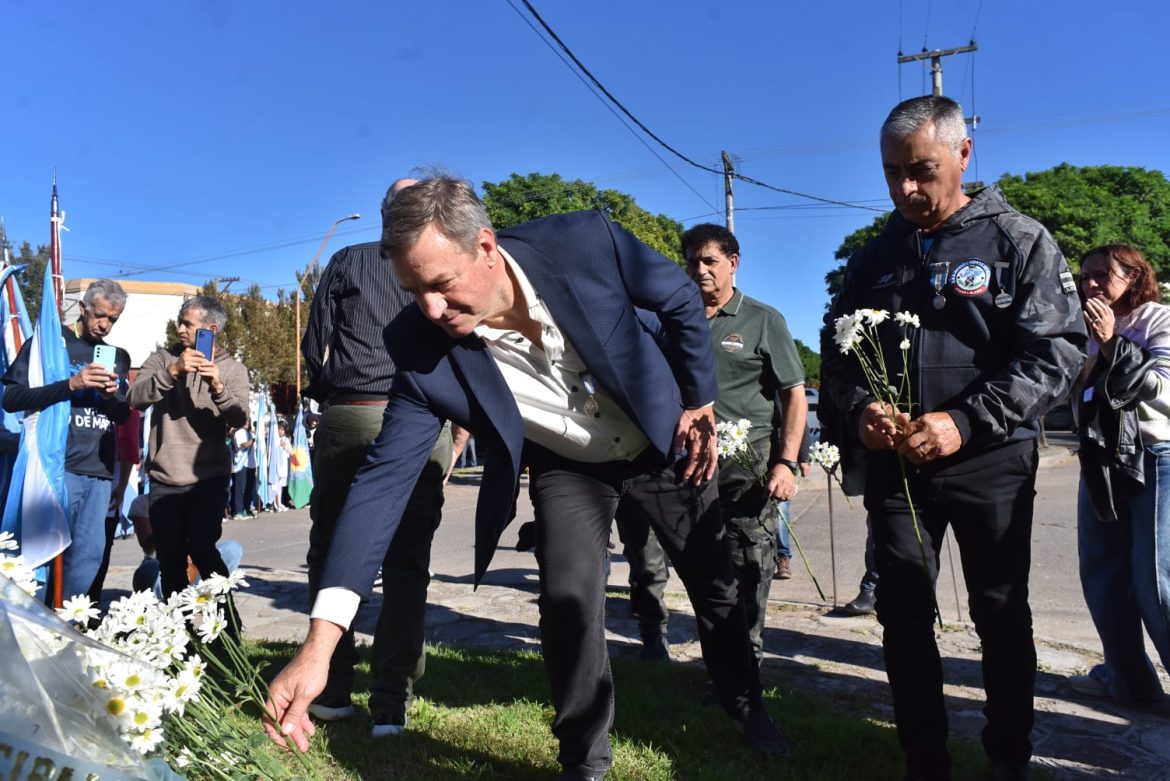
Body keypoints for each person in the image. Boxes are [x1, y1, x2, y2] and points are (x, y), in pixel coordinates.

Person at [265, 175, 787, 779]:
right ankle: (583, 759)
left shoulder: (584, 242)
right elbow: (380, 488)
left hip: (660, 440)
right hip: (570, 468)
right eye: (413, 291)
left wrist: (698, 399)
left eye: (441, 284)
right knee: (567, 600)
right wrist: (318, 647)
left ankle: (746, 704)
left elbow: (675, 294)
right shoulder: (418, 345)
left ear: (486, 247)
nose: (430, 309)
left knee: (714, 582)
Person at [821, 95, 1086, 781]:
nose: (907, 188)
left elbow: (1056, 352)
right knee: (903, 613)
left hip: (991, 461)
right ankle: (925, 759)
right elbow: (838, 358)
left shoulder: (1018, 242)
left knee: (1000, 611)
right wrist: (858, 414)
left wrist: (965, 421)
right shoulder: (873, 257)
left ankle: (1007, 755)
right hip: (897, 471)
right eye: (891, 173)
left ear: (963, 155)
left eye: (922, 170)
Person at [298, 177, 454, 739]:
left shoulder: (347, 260)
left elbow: (316, 343)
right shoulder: (447, 265)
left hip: (353, 411)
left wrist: (324, 391)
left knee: (330, 551)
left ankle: (333, 688)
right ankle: (391, 701)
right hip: (424, 414)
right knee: (408, 564)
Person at [682, 223, 807, 662]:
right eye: (692, 261)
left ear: (733, 264)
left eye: (710, 261)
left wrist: (786, 463)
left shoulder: (762, 319)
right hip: (690, 461)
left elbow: (793, 394)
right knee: (703, 563)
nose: (700, 270)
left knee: (751, 560)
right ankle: (718, 653)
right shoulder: (678, 319)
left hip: (747, 458)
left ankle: (747, 657)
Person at [1068, 244, 1170, 704]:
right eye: (1084, 276)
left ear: (1134, 276)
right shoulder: (1083, 330)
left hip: (1155, 456)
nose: (1090, 284)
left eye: (1102, 275)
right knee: (1103, 577)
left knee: (1155, 581)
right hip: (1100, 460)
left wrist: (1112, 343)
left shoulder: (1157, 319)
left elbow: (1165, 392)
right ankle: (1128, 681)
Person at [2, 279, 131, 602]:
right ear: (83, 307)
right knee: (42, 556)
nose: (105, 325)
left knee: (89, 556)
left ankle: (67, 628)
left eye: (113, 319)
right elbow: (12, 397)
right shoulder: (50, 342)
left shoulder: (118, 356)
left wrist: (110, 397)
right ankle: (35, 628)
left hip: (98, 471)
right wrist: (71, 384)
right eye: (100, 315)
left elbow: (122, 415)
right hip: (55, 465)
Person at [129, 296, 249, 607]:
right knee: (170, 559)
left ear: (211, 329)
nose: (180, 329)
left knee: (203, 548)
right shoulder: (162, 359)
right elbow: (135, 398)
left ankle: (227, 627)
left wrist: (219, 389)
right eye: (179, 321)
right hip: (165, 476)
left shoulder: (233, 369)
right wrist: (173, 372)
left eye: (188, 324)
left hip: (208, 476)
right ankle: (179, 633)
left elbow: (239, 418)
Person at [229, 422, 256, 520]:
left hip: (251, 464)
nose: (246, 423)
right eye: (245, 421)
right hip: (241, 464)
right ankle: (237, 511)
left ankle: (246, 508)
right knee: (240, 488)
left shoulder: (251, 433)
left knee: (249, 488)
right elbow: (244, 445)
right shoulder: (239, 432)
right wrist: (253, 440)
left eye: (248, 421)